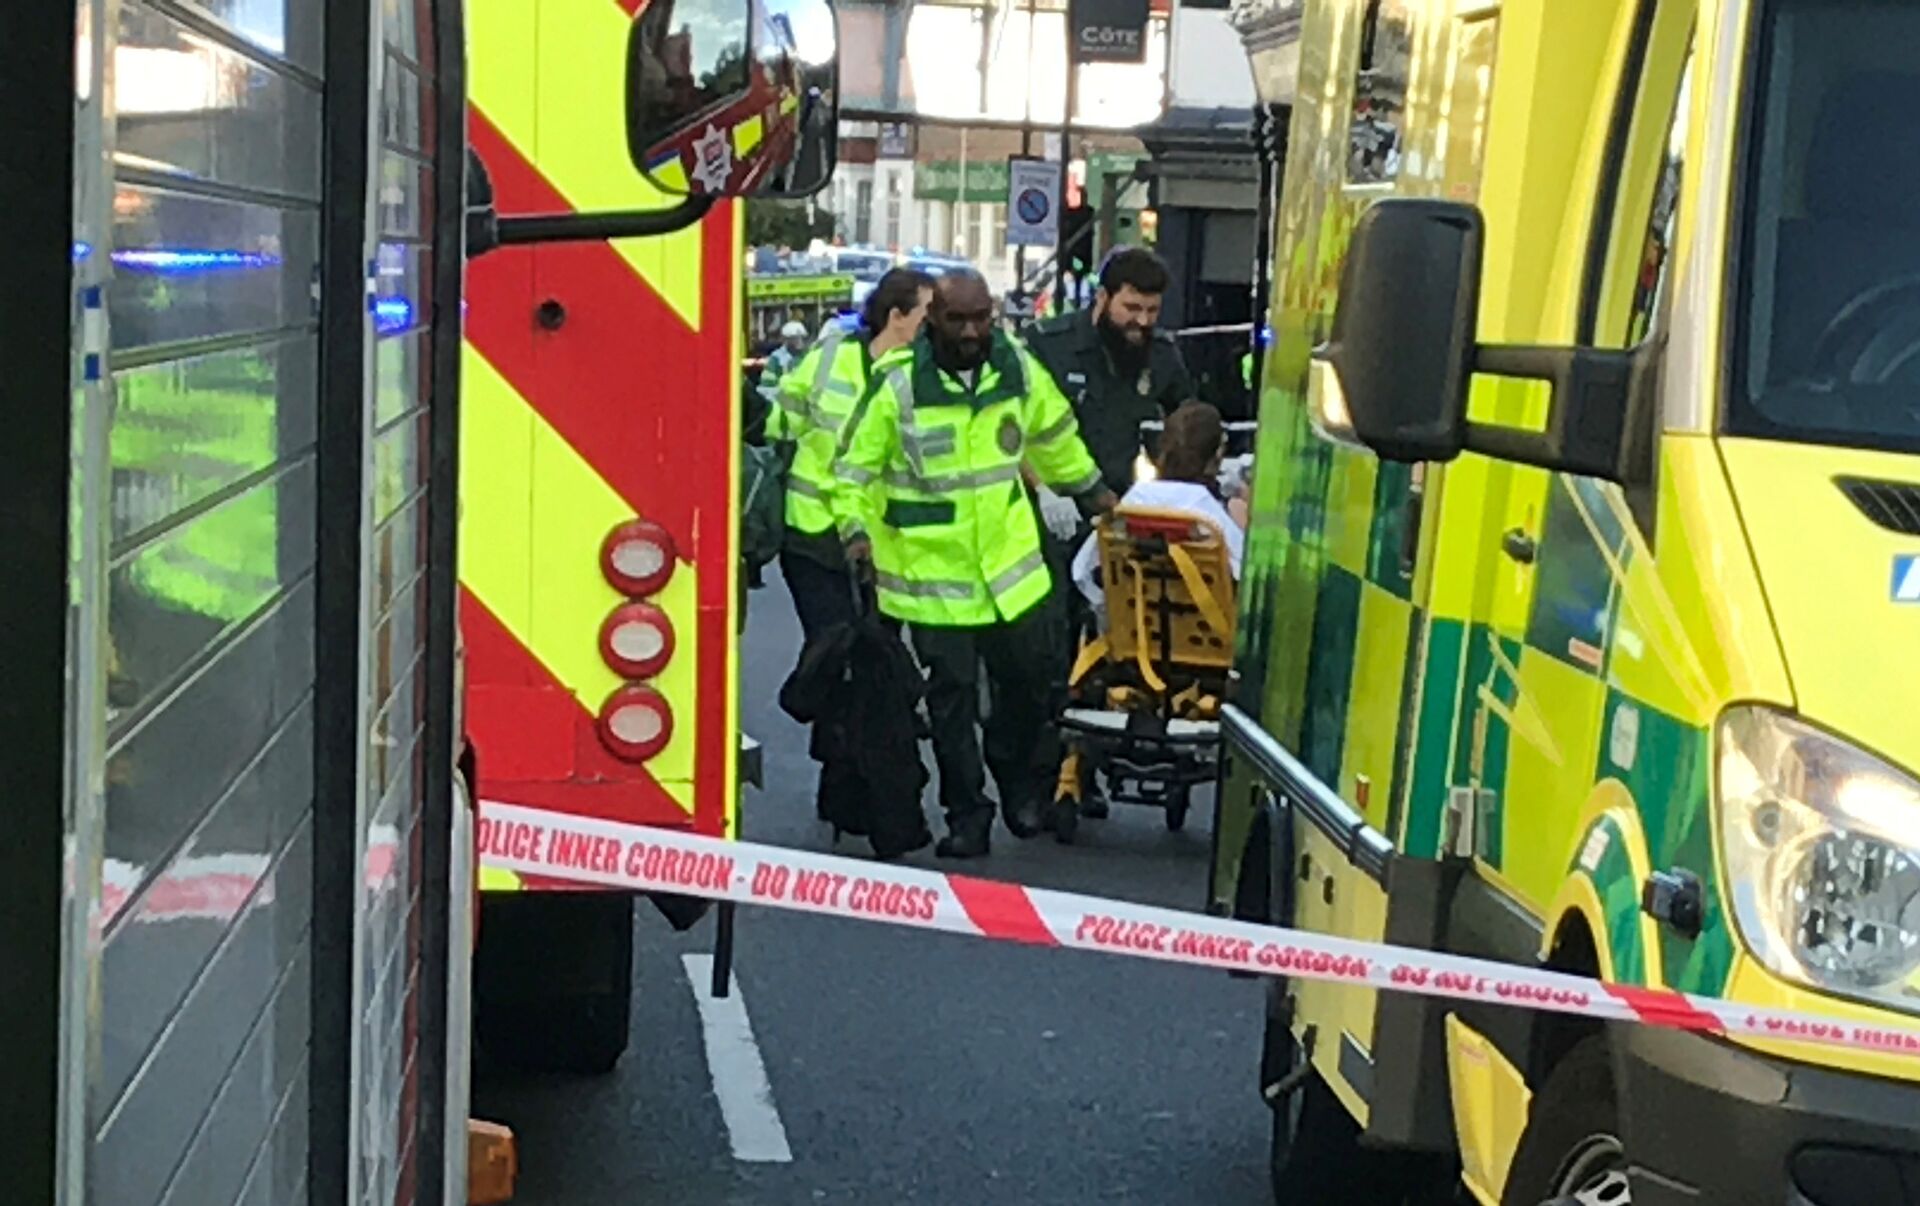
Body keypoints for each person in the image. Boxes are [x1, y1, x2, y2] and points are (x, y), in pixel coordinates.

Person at [830, 271, 1117, 858]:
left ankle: (1018, 785)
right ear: (933, 318)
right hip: (934, 582)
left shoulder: (1016, 370)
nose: (970, 332)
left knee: (1029, 688)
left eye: (981, 318)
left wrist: (1095, 494)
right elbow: (852, 472)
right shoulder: (898, 385)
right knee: (952, 702)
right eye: (957, 320)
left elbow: (1055, 437)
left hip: (1012, 573)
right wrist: (856, 534)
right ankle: (968, 814)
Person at [769, 267, 935, 829]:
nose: (933, 325)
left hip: (878, 544)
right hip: (813, 536)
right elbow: (784, 421)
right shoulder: (830, 358)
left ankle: (850, 791)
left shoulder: (921, 375)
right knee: (837, 652)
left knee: (869, 667)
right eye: (926, 314)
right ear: (897, 316)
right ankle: (855, 790)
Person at [1024, 246, 1196, 498]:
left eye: (1152, 311)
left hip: (1127, 498)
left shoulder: (1162, 355)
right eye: (1132, 308)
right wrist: (1042, 490)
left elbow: (1188, 422)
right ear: (1103, 297)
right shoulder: (1049, 346)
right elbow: (1014, 425)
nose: (1143, 321)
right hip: (1057, 496)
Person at [1071, 401, 1245, 610]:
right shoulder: (1209, 519)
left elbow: (1083, 571)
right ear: (1216, 456)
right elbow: (1246, 575)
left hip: (1135, 622)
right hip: (1212, 626)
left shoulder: (1131, 507)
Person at [761, 319, 811, 391]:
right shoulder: (776, 358)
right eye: (795, 338)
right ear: (785, 339)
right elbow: (767, 382)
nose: (800, 341)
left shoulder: (808, 356)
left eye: (802, 337)